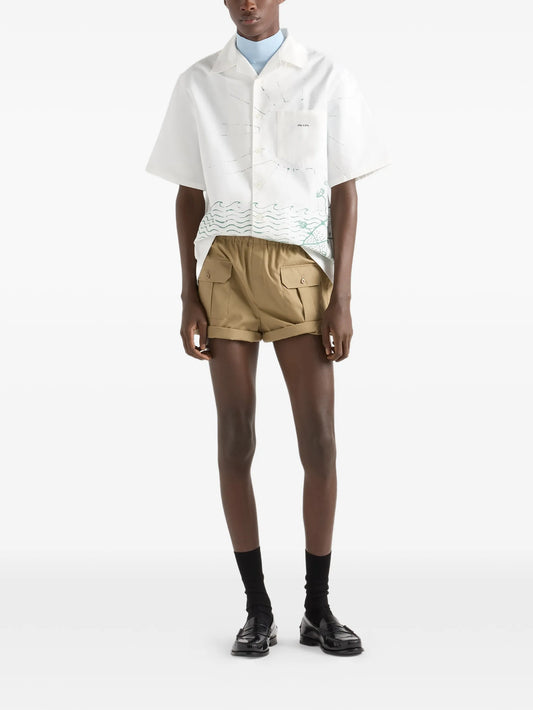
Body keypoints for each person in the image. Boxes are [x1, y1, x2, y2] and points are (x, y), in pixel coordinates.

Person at [145, 0, 391, 657]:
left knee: (320, 440)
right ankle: (257, 608)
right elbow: (188, 193)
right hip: (223, 270)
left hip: (299, 272)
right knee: (235, 438)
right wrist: (188, 295)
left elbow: (344, 192)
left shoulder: (326, 77)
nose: (247, 3)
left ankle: (317, 606)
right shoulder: (199, 82)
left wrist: (341, 298)